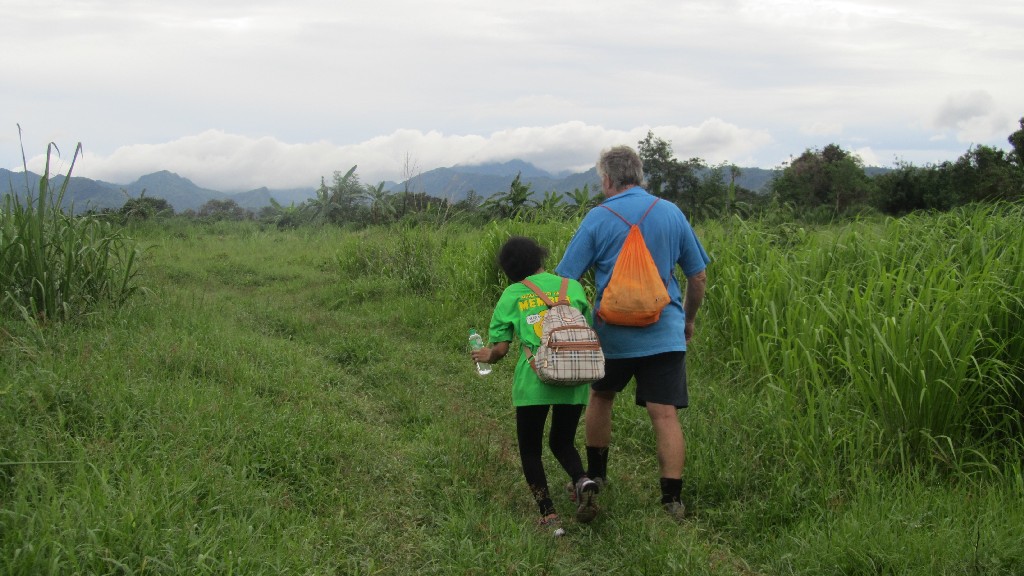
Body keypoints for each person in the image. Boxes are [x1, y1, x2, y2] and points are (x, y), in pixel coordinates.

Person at [555, 145, 709, 521]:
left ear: (607, 179)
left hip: (612, 335)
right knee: (665, 414)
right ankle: (672, 499)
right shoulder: (670, 212)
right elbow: (698, 277)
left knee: (601, 397)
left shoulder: (598, 217)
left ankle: (597, 476)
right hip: (665, 333)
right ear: (639, 175)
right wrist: (687, 320)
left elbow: (565, 278)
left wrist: (574, 324)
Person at [470, 236, 600, 528]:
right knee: (562, 441)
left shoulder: (513, 294)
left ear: (509, 268)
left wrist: (486, 355)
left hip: (534, 380)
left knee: (530, 450)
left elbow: (500, 349)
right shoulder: (572, 287)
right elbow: (589, 330)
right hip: (575, 376)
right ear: (539, 257)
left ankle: (549, 514)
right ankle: (582, 480)